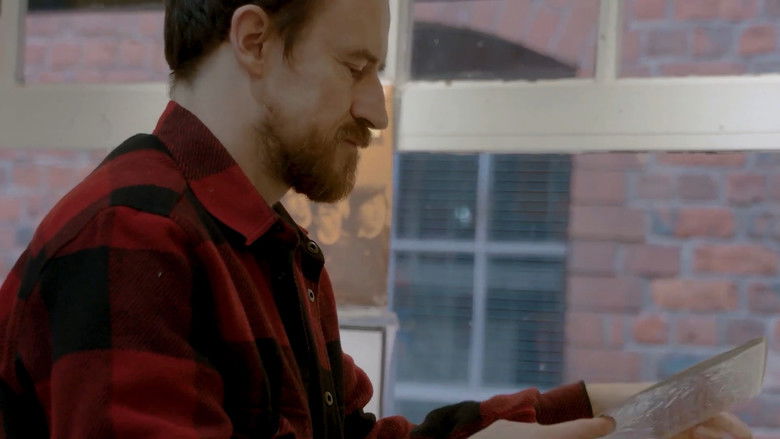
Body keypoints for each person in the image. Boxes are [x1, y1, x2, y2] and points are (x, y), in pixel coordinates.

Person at [0, 0, 753, 438]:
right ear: (254, 41)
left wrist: (594, 410)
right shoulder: (131, 235)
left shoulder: (269, 248)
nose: (376, 110)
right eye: (355, 68)